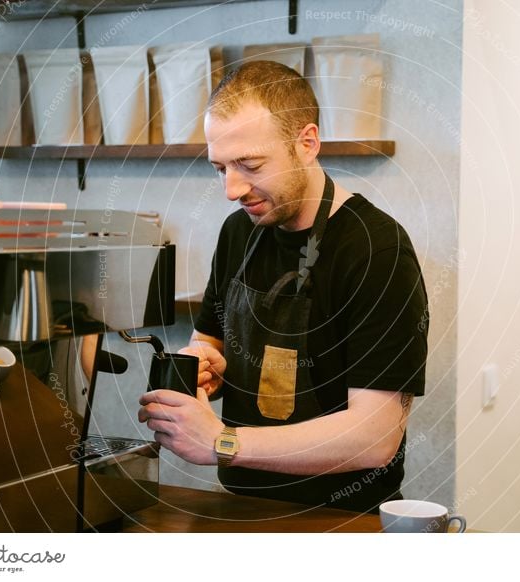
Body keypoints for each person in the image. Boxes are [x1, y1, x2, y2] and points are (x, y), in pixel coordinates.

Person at [138, 61, 428, 513]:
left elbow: (375, 438)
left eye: (250, 165)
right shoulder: (239, 232)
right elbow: (209, 338)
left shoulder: (376, 249)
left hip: (342, 520)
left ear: (307, 143)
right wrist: (201, 365)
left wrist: (222, 442)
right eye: (220, 168)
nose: (231, 189)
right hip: (238, 505)